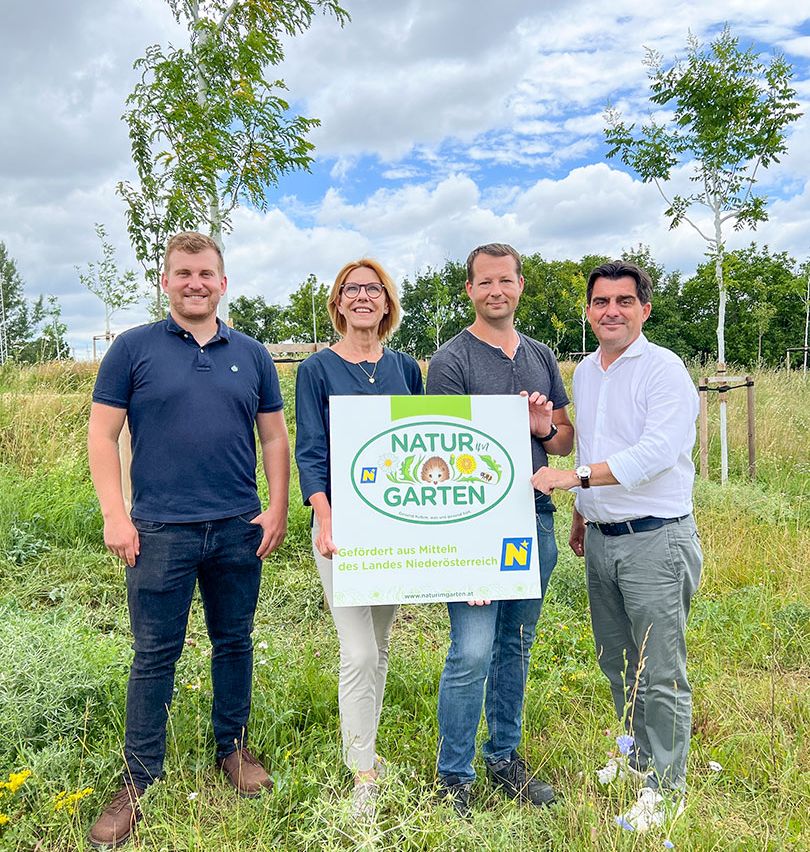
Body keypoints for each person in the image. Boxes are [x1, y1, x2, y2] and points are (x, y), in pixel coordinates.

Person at [87, 232, 290, 848]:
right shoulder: (132, 348)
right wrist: (115, 515)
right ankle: (138, 777)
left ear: (223, 283)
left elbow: (274, 438)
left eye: (206, 274)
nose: (195, 283)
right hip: (157, 530)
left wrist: (277, 507)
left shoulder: (252, 354)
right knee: (154, 655)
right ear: (166, 282)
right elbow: (102, 436)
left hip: (237, 527)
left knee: (234, 642)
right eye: (183, 273)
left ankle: (232, 748)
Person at [532, 260, 702, 832]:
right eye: (601, 302)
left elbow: (656, 452)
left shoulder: (664, 370)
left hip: (655, 539)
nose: (611, 311)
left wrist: (575, 480)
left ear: (644, 310)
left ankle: (666, 789)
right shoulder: (586, 371)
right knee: (618, 661)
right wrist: (584, 512)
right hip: (604, 540)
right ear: (588, 311)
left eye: (624, 301)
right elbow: (597, 443)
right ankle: (638, 757)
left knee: (660, 669)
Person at [426, 243, 573, 818]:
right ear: (470, 290)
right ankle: (454, 775)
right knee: (471, 651)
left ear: (519, 285)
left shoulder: (542, 355)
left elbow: (563, 441)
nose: (496, 291)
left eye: (505, 281)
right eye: (484, 282)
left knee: (515, 646)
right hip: (475, 527)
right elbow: (442, 451)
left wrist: (542, 427)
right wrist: (468, 552)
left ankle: (504, 758)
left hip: (535, 521)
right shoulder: (451, 361)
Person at [294, 258, 423, 817]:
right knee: (360, 650)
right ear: (338, 303)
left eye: (374, 289)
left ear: (387, 302)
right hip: (341, 528)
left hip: (392, 526)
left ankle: (366, 747)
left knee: (381, 644)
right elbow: (311, 449)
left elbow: (420, 443)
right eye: (352, 290)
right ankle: (363, 771)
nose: (363, 297)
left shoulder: (406, 369)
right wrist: (323, 515)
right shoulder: (317, 369)